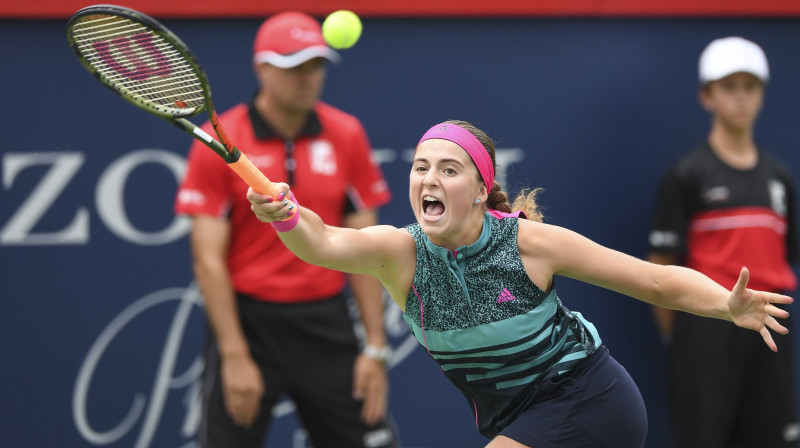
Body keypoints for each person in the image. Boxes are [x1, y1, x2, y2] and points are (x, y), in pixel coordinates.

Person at [246, 118, 793, 448]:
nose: (430, 179)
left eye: (449, 169)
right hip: (520, 418)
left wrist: (725, 304)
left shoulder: (531, 245)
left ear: (483, 189)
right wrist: (287, 215)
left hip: (590, 398)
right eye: (420, 167)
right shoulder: (400, 253)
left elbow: (652, 280)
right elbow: (323, 242)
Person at [174, 11, 398, 448]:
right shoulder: (220, 139)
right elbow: (207, 260)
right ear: (263, 69)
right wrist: (235, 357)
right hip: (250, 324)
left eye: (315, 65)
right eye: (294, 66)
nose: (307, 77)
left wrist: (374, 346)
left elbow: (368, 248)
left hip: (326, 323)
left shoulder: (346, 134)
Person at [647, 36, 799, 448]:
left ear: (762, 95)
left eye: (749, 87)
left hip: (772, 330)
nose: (740, 98)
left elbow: (785, 258)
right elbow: (660, 269)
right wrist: (689, 337)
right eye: (728, 87)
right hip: (707, 331)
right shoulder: (686, 175)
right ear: (707, 95)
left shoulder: (779, 178)